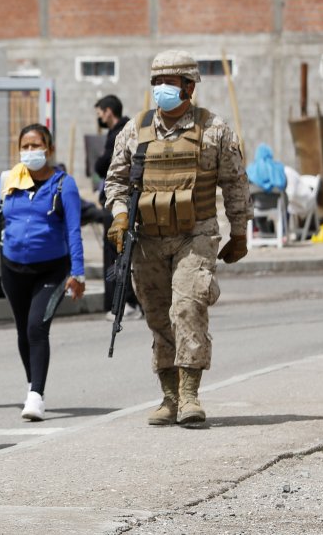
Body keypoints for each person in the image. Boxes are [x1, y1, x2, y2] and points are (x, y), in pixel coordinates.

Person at [104, 49, 250, 427]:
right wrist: (120, 217)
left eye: (170, 83)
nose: (162, 90)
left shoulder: (214, 129)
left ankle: (189, 395)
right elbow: (116, 181)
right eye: (157, 83)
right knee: (157, 315)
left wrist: (239, 232)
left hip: (195, 234)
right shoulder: (134, 130)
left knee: (187, 309)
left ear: (189, 86)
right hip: (147, 238)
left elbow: (234, 183)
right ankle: (168, 396)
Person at [0, 124, 85, 421]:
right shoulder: (8, 181)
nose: (30, 152)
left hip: (52, 270)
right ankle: (34, 385)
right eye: (25, 146)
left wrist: (77, 273)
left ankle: (36, 395)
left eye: (36, 145)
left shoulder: (63, 184)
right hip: (13, 268)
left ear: (50, 149)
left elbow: (73, 230)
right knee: (22, 330)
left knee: (36, 327)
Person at [94, 95, 141, 321]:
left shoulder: (121, 134)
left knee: (117, 253)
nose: (99, 118)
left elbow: (103, 164)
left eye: (100, 113)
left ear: (109, 112)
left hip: (119, 204)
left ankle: (125, 303)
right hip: (121, 201)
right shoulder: (123, 131)